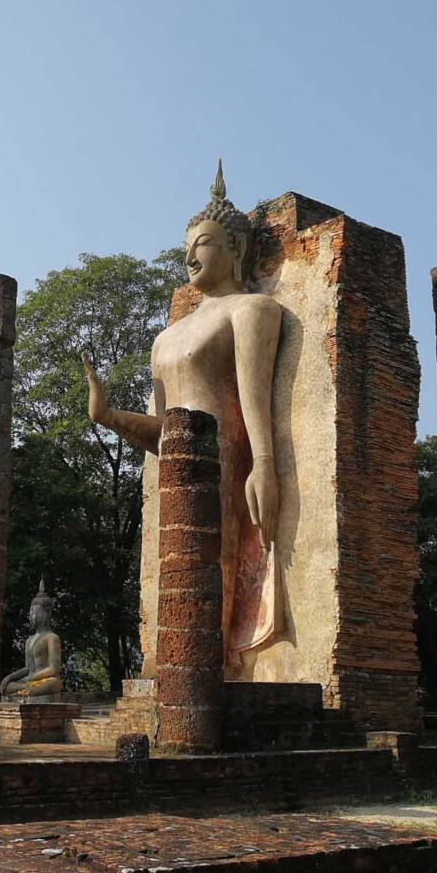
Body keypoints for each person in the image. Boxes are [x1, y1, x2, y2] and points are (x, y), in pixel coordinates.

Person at [82, 162, 283, 668]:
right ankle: (179, 671)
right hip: (176, 468)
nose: (190, 254)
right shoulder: (165, 337)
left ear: (236, 249)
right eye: (188, 245)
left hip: (222, 455)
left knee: (213, 562)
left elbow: (254, 396)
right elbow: (164, 431)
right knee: (176, 569)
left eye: (205, 242)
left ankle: (210, 671)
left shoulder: (252, 311)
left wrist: (264, 464)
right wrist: (109, 416)